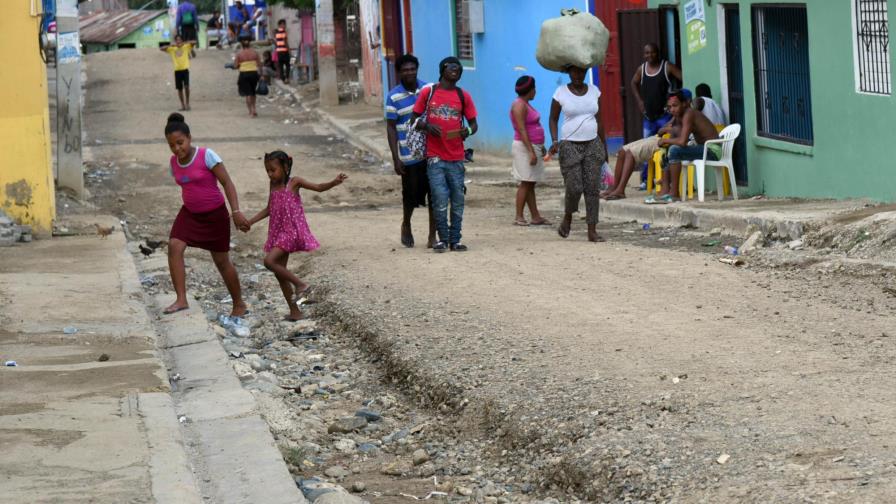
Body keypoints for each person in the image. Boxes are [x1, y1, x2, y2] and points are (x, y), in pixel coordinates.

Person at [162, 113, 250, 317]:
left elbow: (227, 182)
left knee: (221, 261)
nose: (177, 149)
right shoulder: (173, 163)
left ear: (189, 137)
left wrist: (235, 212)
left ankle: (239, 304)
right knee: (174, 246)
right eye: (172, 145)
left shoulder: (207, 155)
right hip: (190, 214)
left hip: (215, 215)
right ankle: (181, 299)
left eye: (180, 143)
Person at [245, 151, 347, 321]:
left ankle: (301, 284)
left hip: (290, 231)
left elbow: (319, 187)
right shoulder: (273, 185)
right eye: (267, 171)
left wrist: (334, 182)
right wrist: (250, 221)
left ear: (285, 167)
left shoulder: (294, 183)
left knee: (269, 262)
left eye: (273, 170)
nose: (270, 174)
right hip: (277, 233)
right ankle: (295, 312)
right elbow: (269, 208)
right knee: (280, 274)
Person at [410, 56, 478, 253]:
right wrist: (427, 126)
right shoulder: (428, 93)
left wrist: (469, 131)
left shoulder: (463, 96)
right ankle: (442, 239)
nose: (456, 70)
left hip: (457, 157)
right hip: (435, 157)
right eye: (451, 67)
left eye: (458, 68)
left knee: (458, 200)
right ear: (442, 70)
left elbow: (474, 124)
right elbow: (414, 120)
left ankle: (455, 240)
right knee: (439, 199)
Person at [548, 66, 607, 242]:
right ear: (568, 73)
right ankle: (568, 216)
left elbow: (600, 120)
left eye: (581, 72)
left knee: (592, 188)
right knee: (574, 187)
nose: (578, 76)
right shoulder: (561, 92)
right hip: (569, 145)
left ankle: (592, 229)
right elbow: (553, 118)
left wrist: (603, 146)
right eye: (574, 72)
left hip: (593, 144)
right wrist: (554, 140)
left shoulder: (594, 91)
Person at [385, 54, 436, 248]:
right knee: (410, 196)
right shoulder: (393, 96)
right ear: (399, 72)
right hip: (409, 156)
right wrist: (396, 158)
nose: (409, 73)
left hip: (431, 152)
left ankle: (433, 235)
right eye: (405, 70)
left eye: (412, 69)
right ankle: (406, 223)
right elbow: (390, 127)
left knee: (434, 194)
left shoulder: (428, 89)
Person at [646, 89, 720, 204]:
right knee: (667, 151)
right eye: (669, 107)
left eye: (675, 106)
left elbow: (682, 141)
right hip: (702, 148)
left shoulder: (689, 114)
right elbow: (675, 133)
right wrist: (667, 139)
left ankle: (674, 194)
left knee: (675, 150)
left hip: (712, 150)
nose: (672, 109)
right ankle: (665, 190)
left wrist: (666, 139)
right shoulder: (679, 115)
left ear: (685, 103)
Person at [630, 43, 682, 188]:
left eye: (652, 53)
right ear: (644, 55)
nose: (650, 56)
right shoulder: (642, 69)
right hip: (648, 117)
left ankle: (667, 180)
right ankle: (646, 180)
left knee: (665, 147)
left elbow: (683, 77)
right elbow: (633, 83)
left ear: (658, 53)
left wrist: (676, 99)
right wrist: (640, 101)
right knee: (646, 149)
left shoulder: (667, 67)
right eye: (647, 53)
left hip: (664, 116)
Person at [509, 75, 549, 226]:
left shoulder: (526, 104)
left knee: (530, 182)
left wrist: (540, 146)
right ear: (530, 90)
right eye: (534, 89)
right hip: (524, 148)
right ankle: (519, 216)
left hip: (533, 146)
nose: (535, 92)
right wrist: (531, 151)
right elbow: (521, 129)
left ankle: (535, 216)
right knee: (525, 182)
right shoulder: (519, 105)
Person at [600, 122, 677, 200]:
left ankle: (620, 190)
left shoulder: (686, 115)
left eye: (674, 108)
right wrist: (666, 129)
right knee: (622, 151)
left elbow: (678, 134)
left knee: (630, 153)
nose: (672, 109)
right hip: (658, 138)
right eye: (671, 108)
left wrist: (668, 129)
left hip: (665, 142)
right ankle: (615, 187)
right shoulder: (675, 116)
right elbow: (660, 131)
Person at [160, 35, 195, 111]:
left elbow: (194, 42)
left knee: (186, 87)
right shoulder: (172, 49)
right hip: (177, 70)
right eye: (177, 40)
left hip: (185, 70)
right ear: (175, 41)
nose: (178, 41)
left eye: (180, 40)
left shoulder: (186, 47)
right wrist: (171, 45)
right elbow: (161, 48)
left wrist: (183, 43)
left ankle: (187, 103)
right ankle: (182, 105)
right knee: (179, 89)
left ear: (182, 40)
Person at [233, 36, 261, 117]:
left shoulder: (239, 54)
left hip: (244, 74)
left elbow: (235, 66)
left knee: (247, 93)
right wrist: (261, 75)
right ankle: (254, 109)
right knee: (253, 92)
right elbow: (259, 64)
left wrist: (238, 65)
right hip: (254, 74)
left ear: (241, 45)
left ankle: (250, 111)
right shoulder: (255, 53)